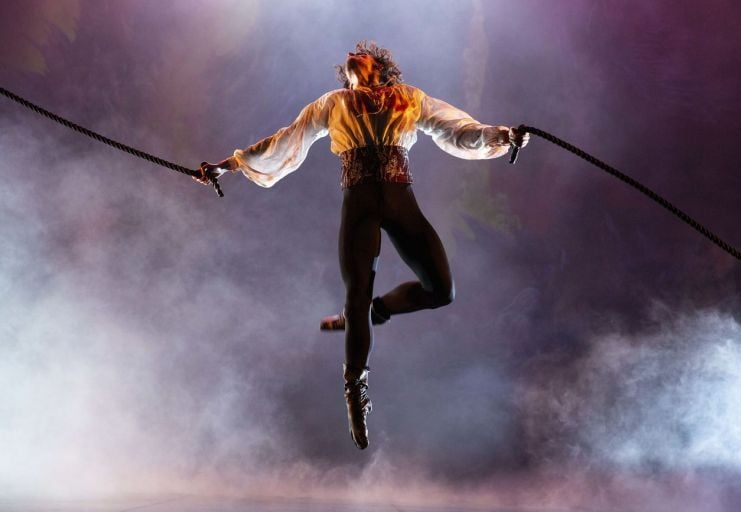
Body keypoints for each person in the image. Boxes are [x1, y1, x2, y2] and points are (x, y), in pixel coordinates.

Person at [197, 41, 529, 450]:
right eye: (353, 51)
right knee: (355, 297)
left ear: (381, 66)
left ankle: (379, 311)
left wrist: (504, 135)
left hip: (399, 198)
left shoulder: (409, 99)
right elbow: (285, 140)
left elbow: (458, 129)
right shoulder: (332, 103)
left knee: (442, 290)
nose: (356, 51)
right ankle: (356, 393)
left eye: (364, 50)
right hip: (360, 205)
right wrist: (225, 167)